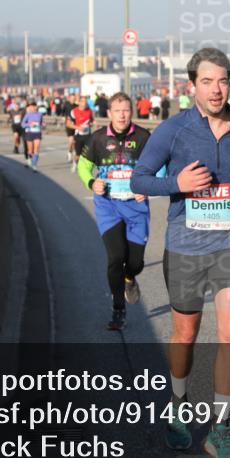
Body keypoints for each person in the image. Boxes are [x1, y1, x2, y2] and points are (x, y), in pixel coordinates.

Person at [132, 47, 230, 458]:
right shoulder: (172, 131)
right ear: (191, 85)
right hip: (185, 244)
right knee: (185, 335)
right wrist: (175, 181)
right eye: (208, 81)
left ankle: (220, 430)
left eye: (224, 80)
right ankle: (178, 403)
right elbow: (140, 178)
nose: (217, 89)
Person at [77, 92, 157, 329]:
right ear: (109, 113)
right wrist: (92, 183)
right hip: (108, 206)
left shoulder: (143, 137)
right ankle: (118, 309)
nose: (122, 115)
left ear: (131, 112)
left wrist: (148, 186)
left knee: (135, 263)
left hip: (136, 207)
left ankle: (130, 278)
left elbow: (159, 167)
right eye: (117, 111)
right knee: (115, 258)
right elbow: (83, 166)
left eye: (126, 110)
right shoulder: (98, 139)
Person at [70, 95, 94, 172]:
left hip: (88, 135)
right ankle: (75, 163)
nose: (85, 103)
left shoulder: (89, 111)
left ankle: (85, 168)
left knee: (87, 153)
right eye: (83, 101)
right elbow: (68, 124)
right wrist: (78, 127)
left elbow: (91, 121)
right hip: (78, 135)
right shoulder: (74, 111)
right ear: (79, 102)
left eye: (86, 102)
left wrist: (92, 123)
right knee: (78, 155)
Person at [21, 100, 45, 171]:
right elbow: (22, 124)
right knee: (30, 150)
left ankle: (34, 165)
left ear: (36, 107)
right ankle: (29, 159)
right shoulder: (28, 114)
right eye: (32, 107)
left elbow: (41, 123)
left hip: (37, 133)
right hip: (30, 133)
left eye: (34, 106)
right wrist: (29, 124)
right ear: (30, 107)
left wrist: (43, 125)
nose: (33, 108)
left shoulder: (40, 114)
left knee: (36, 149)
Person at [62, 95, 77, 163]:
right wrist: (63, 118)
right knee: (71, 141)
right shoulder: (66, 105)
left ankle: (73, 153)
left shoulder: (76, 106)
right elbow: (63, 112)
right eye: (72, 98)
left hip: (76, 125)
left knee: (74, 142)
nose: (73, 100)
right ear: (69, 98)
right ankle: (69, 153)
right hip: (69, 124)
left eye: (74, 98)